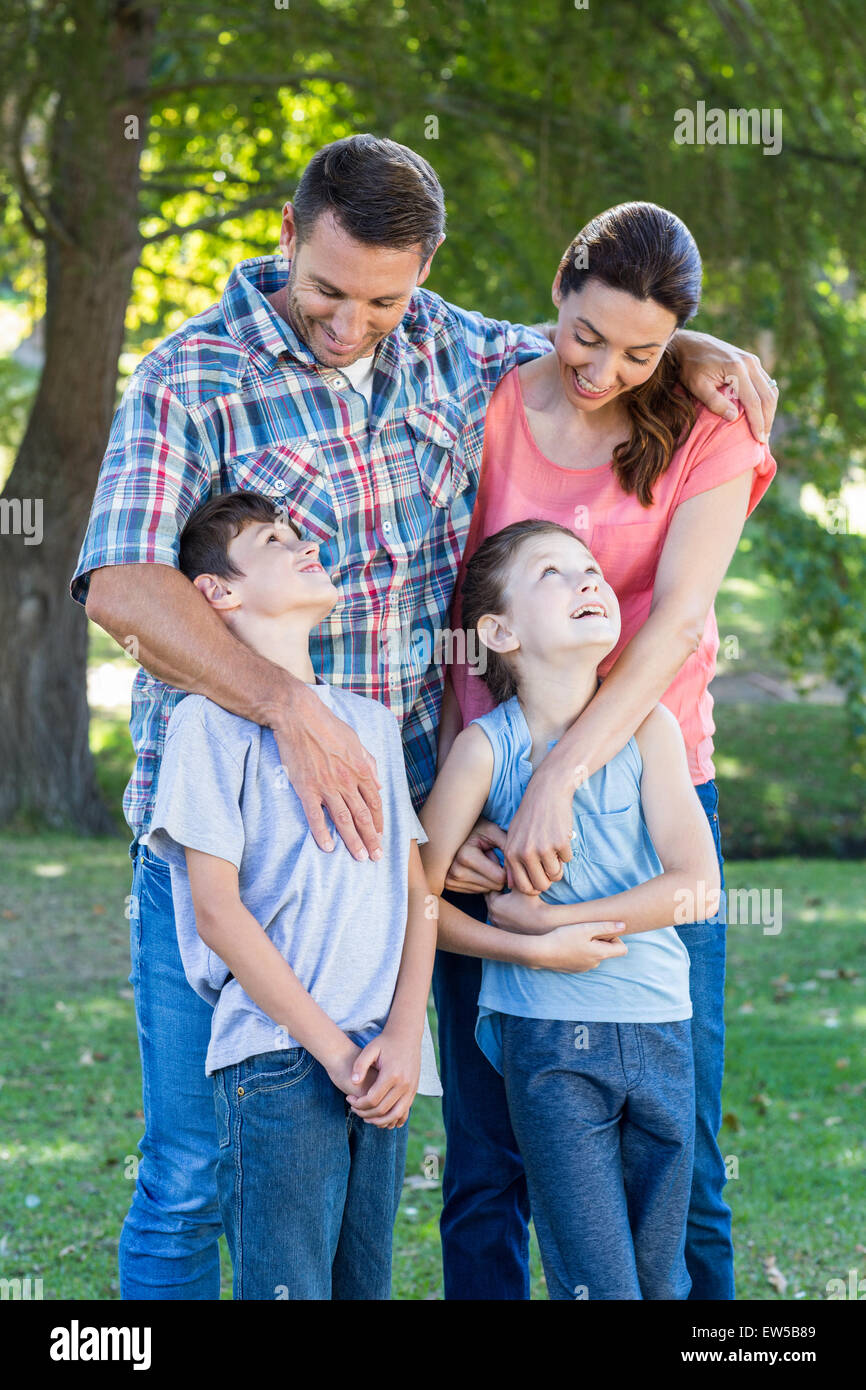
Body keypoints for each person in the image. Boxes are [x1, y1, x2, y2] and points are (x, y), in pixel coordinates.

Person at [69, 134, 777, 1300]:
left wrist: (684, 349)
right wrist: (288, 710)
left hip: (384, 835)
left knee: (362, 1144)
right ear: (287, 236)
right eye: (327, 291)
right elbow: (119, 585)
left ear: (426, 274)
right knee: (195, 1167)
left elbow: (581, 349)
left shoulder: (453, 346)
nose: (349, 324)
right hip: (231, 835)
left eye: (382, 300)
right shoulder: (189, 375)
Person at [436, 202, 777, 1300]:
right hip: (490, 791)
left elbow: (675, 620)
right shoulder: (484, 401)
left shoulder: (709, 429)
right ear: (554, 292)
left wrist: (564, 779)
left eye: (643, 351)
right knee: (489, 1148)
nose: (605, 369)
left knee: (675, 1144)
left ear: (675, 339)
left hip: (651, 784)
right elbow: (459, 611)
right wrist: (481, 796)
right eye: (587, 337)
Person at [146, 489, 441, 1299]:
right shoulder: (204, 726)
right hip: (278, 1064)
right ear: (219, 592)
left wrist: (405, 1036)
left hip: (381, 1066)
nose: (304, 543)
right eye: (274, 541)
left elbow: (419, 894)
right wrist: (333, 1051)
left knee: (363, 1288)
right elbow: (217, 911)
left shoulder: (370, 725)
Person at [421, 520, 721, 1299]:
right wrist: (526, 953)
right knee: (596, 1279)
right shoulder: (485, 751)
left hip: (660, 1026)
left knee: (662, 1278)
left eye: (591, 568)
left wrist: (550, 922)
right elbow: (418, 903)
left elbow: (699, 887)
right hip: (548, 1043)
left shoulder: (652, 729)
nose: (589, 580)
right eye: (554, 572)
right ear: (499, 631)